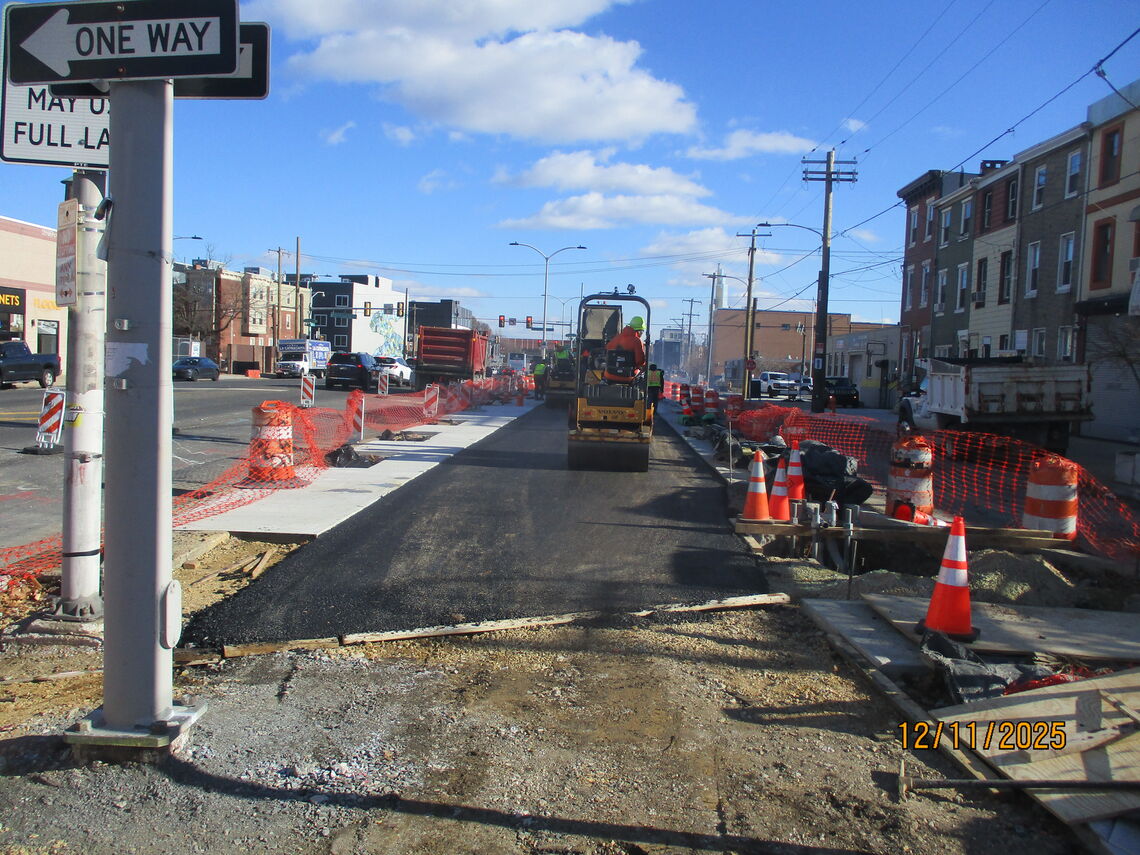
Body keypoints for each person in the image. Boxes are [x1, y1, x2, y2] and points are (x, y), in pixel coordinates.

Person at [602, 315, 646, 383]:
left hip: (609, 375)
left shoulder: (616, 339)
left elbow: (606, 354)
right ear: (639, 331)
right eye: (642, 332)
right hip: (629, 376)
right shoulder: (637, 341)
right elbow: (639, 362)